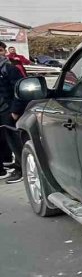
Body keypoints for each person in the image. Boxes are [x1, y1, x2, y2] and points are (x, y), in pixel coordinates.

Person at [0, 41, 26, 183]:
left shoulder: (10, 68)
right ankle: (6, 166)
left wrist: (15, 111)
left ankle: (22, 170)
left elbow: (21, 90)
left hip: (8, 110)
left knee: (15, 141)